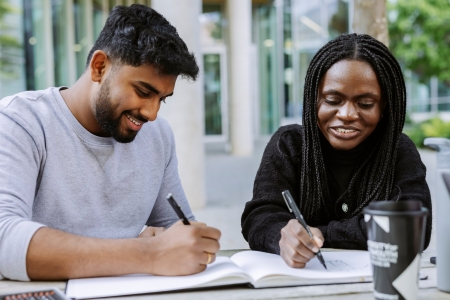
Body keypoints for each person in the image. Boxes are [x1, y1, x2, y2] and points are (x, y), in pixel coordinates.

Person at [0, 5, 220, 281]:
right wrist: (147, 252)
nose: (152, 113)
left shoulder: (157, 135)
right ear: (99, 66)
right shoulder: (20, 121)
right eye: (143, 92)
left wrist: (193, 243)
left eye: (162, 99)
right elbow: (4, 239)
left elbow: (180, 234)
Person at [241, 33, 432, 268]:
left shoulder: (399, 150)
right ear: (314, 100)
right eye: (333, 100)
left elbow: (414, 229)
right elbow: (259, 217)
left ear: (383, 107)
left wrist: (319, 234)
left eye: (365, 104)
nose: (347, 115)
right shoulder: (288, 144)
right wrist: (282, 235)